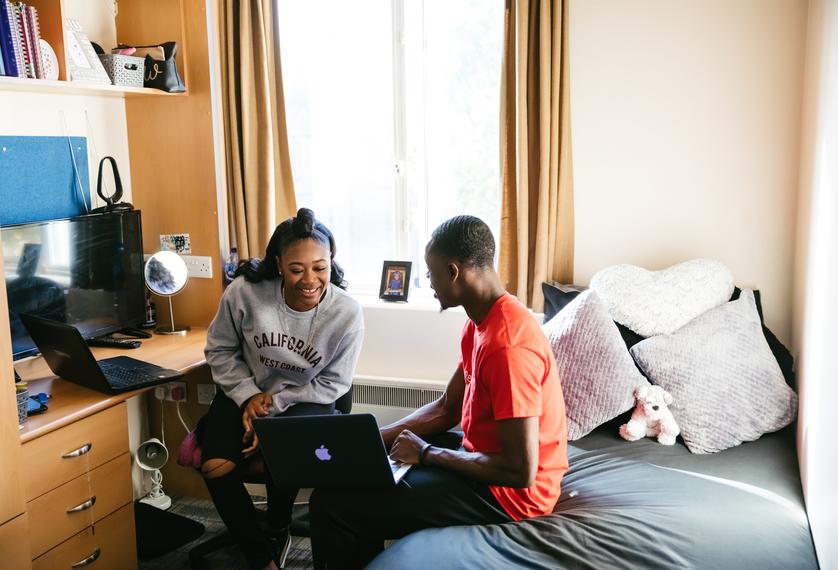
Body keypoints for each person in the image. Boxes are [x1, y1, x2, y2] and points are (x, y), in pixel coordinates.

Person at [309, 215, 568, 569]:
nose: (429, 283)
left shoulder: (508, 345)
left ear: (453, 272)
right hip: (483, 464)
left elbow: (519, 469)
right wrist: (370, 441)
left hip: (511, 497)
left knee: (333, 506)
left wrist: (428, 453)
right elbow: (448, 407)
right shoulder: (479, 324)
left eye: (430, 273)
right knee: (359, 478)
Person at [198, 208, 364, 570]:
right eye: (296, 269)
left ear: (331, 261)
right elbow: (219, 349)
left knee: (284, 453)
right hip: (244, 392)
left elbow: (334, 383)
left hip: (305, 398)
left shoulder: (347, 313)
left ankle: (277, 525)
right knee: (215, 467)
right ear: (278, 263)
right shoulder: (245, 292)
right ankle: (262, 558)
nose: (310, 280)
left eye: (320, 267)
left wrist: (272, 407)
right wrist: (248, 397)